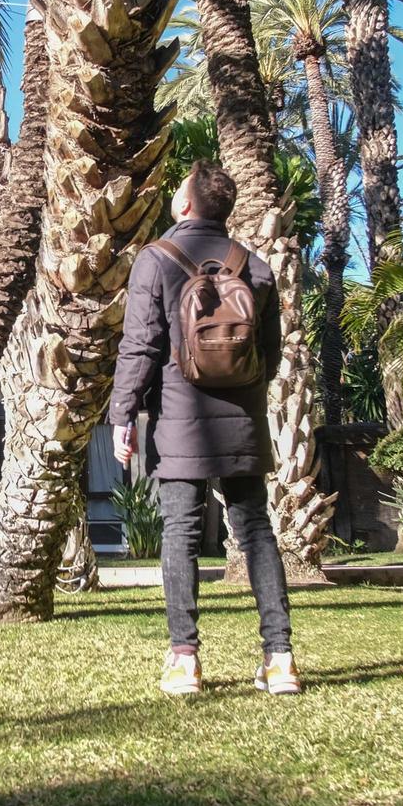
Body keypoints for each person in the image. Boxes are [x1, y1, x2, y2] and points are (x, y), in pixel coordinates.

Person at [108, 162, 300, 697]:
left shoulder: (157, 261)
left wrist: (122, 414)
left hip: (178, 421)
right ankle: (279, 659)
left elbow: (140, 346)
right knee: (256, 530)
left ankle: (185, 661)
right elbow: (271, 353)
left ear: (187, 204)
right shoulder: (255, 267)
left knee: (181, 534)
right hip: (242, 420)